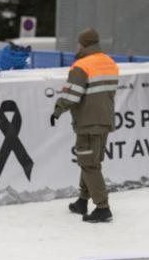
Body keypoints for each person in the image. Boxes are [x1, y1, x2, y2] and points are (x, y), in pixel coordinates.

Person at [51, 28, 119, 223]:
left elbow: (72, 95)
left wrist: (57, 110)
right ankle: (82, 200)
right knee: (89, 161)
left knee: (89, 164)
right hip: (104, 121)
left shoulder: (81, 66)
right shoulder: (110, 63)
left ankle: (102, 207)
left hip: (88, 123)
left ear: (83, 44)